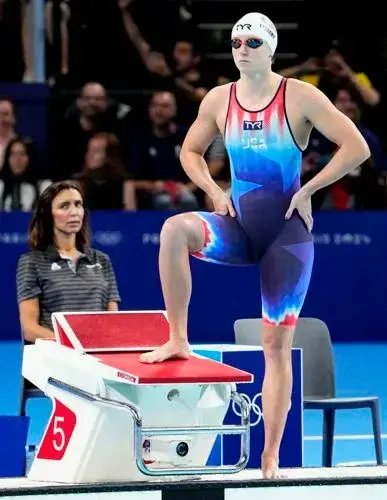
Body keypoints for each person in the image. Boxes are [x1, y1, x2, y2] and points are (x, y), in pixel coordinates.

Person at [139, 12, 370, 479]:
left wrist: (308, 190)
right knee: (174, 230)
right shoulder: (219, 99)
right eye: (234, 41)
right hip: (238, 227)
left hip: (287, 237)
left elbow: (356, 146)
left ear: (269, 47)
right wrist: (213, 190)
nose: (240, 48)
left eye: (250, 41)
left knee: (274, 347)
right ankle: (178, 338)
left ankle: (269, 458)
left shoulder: (300, 95)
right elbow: (189, 151)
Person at [16, 180, 121, 344]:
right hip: (56, 359)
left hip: (97, 359)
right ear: (48, 214)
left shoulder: (102, 260)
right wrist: (72, 347)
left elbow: (113, 321)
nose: (74, 212)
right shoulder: (31, 262)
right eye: (64, 206)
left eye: (78, 205)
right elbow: (30, 329)